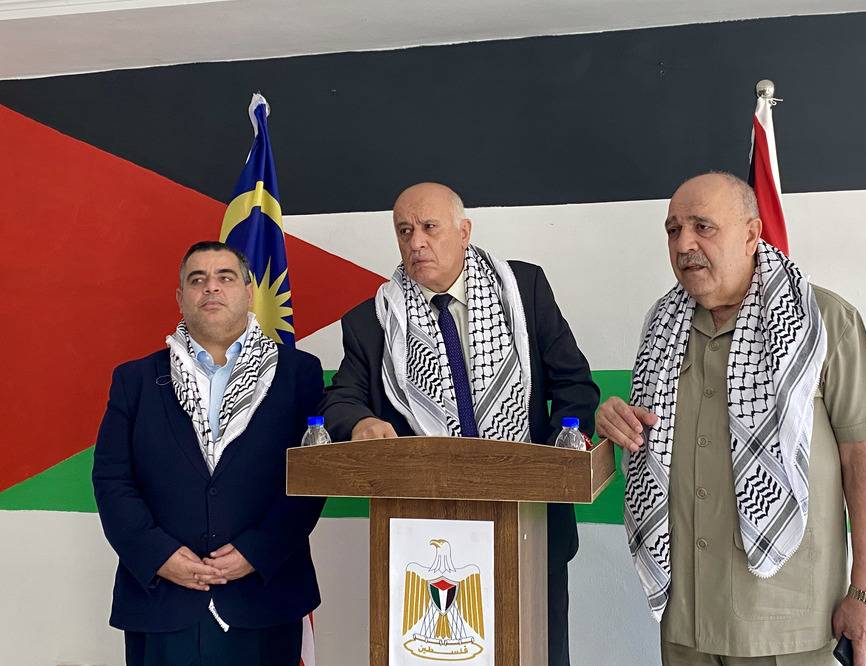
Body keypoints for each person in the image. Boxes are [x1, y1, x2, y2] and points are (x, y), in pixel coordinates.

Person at [597, 173, 866, 666]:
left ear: (751, 234)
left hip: (787, 621)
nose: (684, 243)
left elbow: (863, 462)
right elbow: (650, 438)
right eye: (673, 229)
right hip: (686, 619)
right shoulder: (662, 328)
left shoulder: (820, 321)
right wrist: (613, 418)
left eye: (703, 226)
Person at [321, 182, 599, 665]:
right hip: (423, 538)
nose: (416, 242)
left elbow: (575, 385)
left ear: (464, 231)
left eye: (429, 228)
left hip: (530, 523)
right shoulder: (371, 320)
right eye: (404, 231)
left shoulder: (524, 290)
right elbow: (340, 398)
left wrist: (556, 453)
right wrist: (361, 422)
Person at [92, 241, 325, 666]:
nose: (210, 288)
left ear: (250, 290)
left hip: (265, 599)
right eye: (197, 280)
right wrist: (157, 555)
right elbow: (112, 481)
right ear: (181, 298)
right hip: (162, 600)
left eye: (225, 277)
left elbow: (310, 479)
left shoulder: (299, 374)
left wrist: (257, 551)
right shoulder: (136, 381)